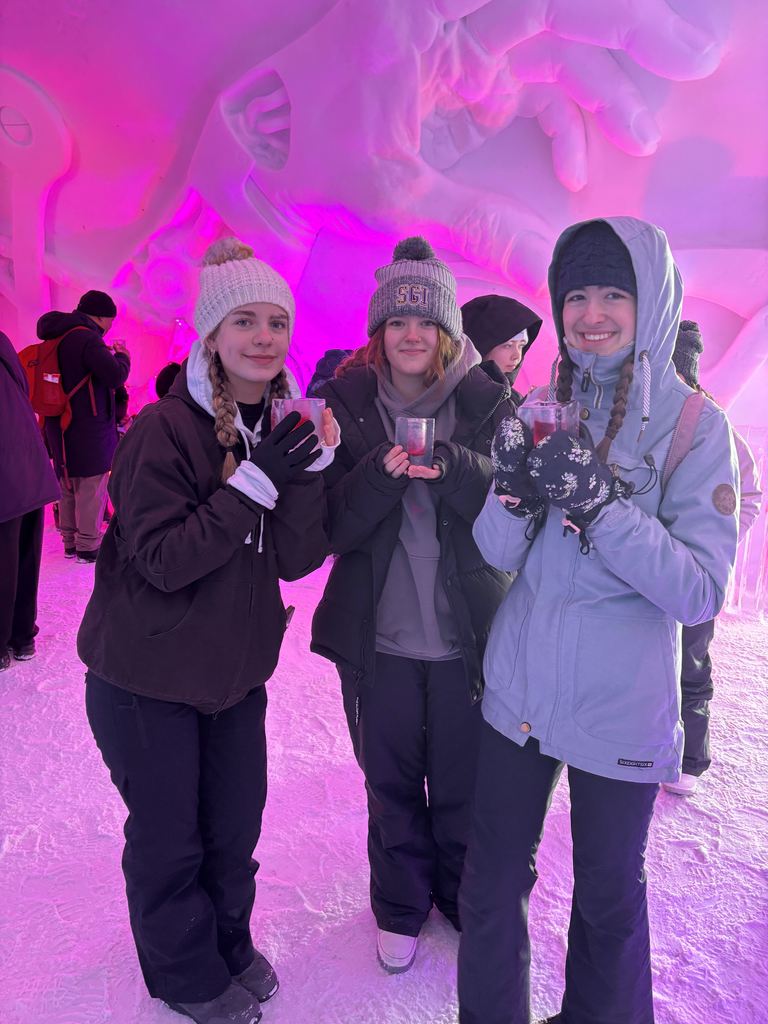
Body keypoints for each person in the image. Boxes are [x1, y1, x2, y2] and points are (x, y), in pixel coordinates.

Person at [457, 218, 739, 1024]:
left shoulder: (697, 428)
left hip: (618, 707)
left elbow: (697, 592)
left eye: (613, 293)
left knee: (609, 904)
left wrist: (601, 504)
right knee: (489, 886)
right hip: (518, 692)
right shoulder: (546, 403)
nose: (590, 314)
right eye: (576, 294)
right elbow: (494, 549)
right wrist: (513, 487)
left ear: (648, 300)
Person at [77, 238, 336, 1024]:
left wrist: (306, 477)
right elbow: (159, 559)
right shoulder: (165, 428)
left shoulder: (276, 428)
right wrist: (255, 484)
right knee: (170, 841)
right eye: (246, 321)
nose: (265, 337)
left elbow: (294, 559)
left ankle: (226, 942)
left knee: (233, 829)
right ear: (213, 336)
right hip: (145, 679)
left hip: (233, 678)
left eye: (277, 323)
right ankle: (185, 974)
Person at [310, 236, 516, 974]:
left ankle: (459, 894)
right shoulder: (346, 402)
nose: (410, 335)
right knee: (390, 782)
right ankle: (399, 906)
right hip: (381, 638)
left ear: (448, 331)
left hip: (470, 635)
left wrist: (457, 468)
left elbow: (517, 513)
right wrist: (378, 476)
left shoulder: (487, 403)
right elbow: (325, 525)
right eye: (396, 322)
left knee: (464, 781)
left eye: (425, 322)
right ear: (379, 332)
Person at [662, 320, 763, 795]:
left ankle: (690, 758)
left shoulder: (714, 421)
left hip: (695, 571)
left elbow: (749, 493)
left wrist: (718, 544)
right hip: (648, 569)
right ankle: (650, 748)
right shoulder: (646, 417)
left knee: (692, 662)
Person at [38, 290, 130, 562]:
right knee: (91, 486)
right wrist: (123, 357)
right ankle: (88, 547)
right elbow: (114, 376)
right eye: (110, 320)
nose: (111, 325)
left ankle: (69, 543)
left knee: (67, 482)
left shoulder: (57, 334)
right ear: (101, 316)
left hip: (58, 422)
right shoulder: (88, 339)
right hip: (87, 425)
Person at [0, 331, 61, 671]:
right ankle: (22, 637)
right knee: (23, 555)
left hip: (6, 471)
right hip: (27, 462)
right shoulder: (3, 342)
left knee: (5, 559)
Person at [460, 295, 542, 404]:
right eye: (508, 345)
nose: (517, 356)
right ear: (480, 344)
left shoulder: (513, 399)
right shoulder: (453, 401)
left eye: (522, 345)